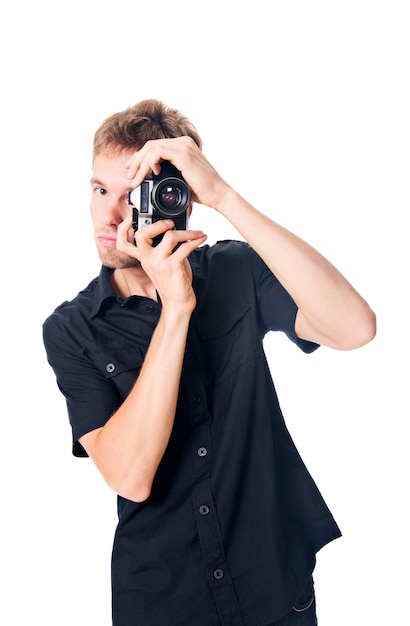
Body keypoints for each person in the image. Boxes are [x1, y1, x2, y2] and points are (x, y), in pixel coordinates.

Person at [42, 98, 376, 626]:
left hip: (274, 587)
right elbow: (129, 476)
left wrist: (223, 195)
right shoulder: (71, 329)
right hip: (164, 600)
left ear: (177, 201)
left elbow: (354, 327)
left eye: (132, 196)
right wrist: (176, 311)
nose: (108, 215)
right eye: (100, 189)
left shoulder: (233, 270)